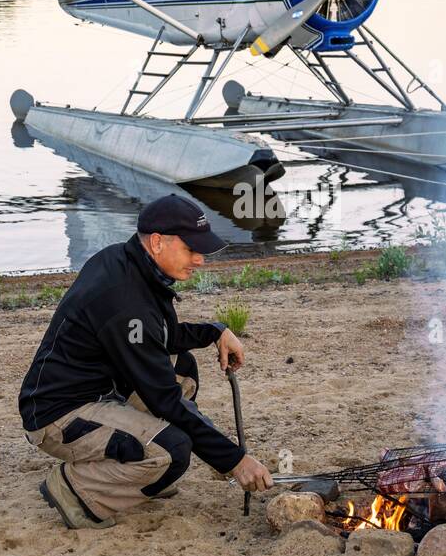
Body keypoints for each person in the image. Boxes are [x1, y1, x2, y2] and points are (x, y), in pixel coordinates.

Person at [18, 194, 273, 529]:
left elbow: (160, 336)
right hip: (58, 415)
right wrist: (235, 461)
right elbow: (165, 400)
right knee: (174, 450)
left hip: (100, 390)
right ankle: (75, 489)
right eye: (191, 249)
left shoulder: (129, 263)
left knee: (181, 367)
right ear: (157, 242)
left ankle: (144, 473)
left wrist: (215, 331)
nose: (199, 260)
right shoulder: (126, 301)